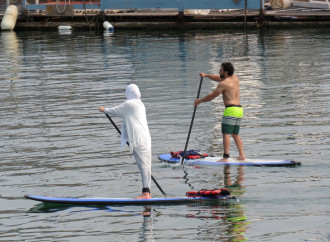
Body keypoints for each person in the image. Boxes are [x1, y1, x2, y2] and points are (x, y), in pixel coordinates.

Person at [99, 84, 152, 199]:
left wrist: (103, 110)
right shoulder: (140, 104)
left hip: (137, 139)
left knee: (142, 165)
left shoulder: (129, 104)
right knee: (147, 165)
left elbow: (114, 111)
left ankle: (146, 193)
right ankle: (147, 191)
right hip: (146, 138)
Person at [194, 62, 246, 161]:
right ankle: (242, 156)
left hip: (230, 110)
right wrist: (206, 75)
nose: (219, 72)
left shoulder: (223, 84)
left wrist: (199, 101)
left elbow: (212, 96)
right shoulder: (235, 78)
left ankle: (225, 157)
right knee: (235, 134)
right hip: (239, 109)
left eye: (221, 70)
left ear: (226, 72)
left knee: (225, 133)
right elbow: (218, 78)